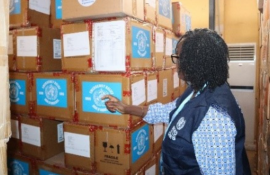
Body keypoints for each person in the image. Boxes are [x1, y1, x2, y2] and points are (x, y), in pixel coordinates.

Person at [102, 28, 251, 175]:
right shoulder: (201, 87)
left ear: (194, 62)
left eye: (178, 58)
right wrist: (126, 108)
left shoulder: (213, 119)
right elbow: (172, 111)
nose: (176, 64)